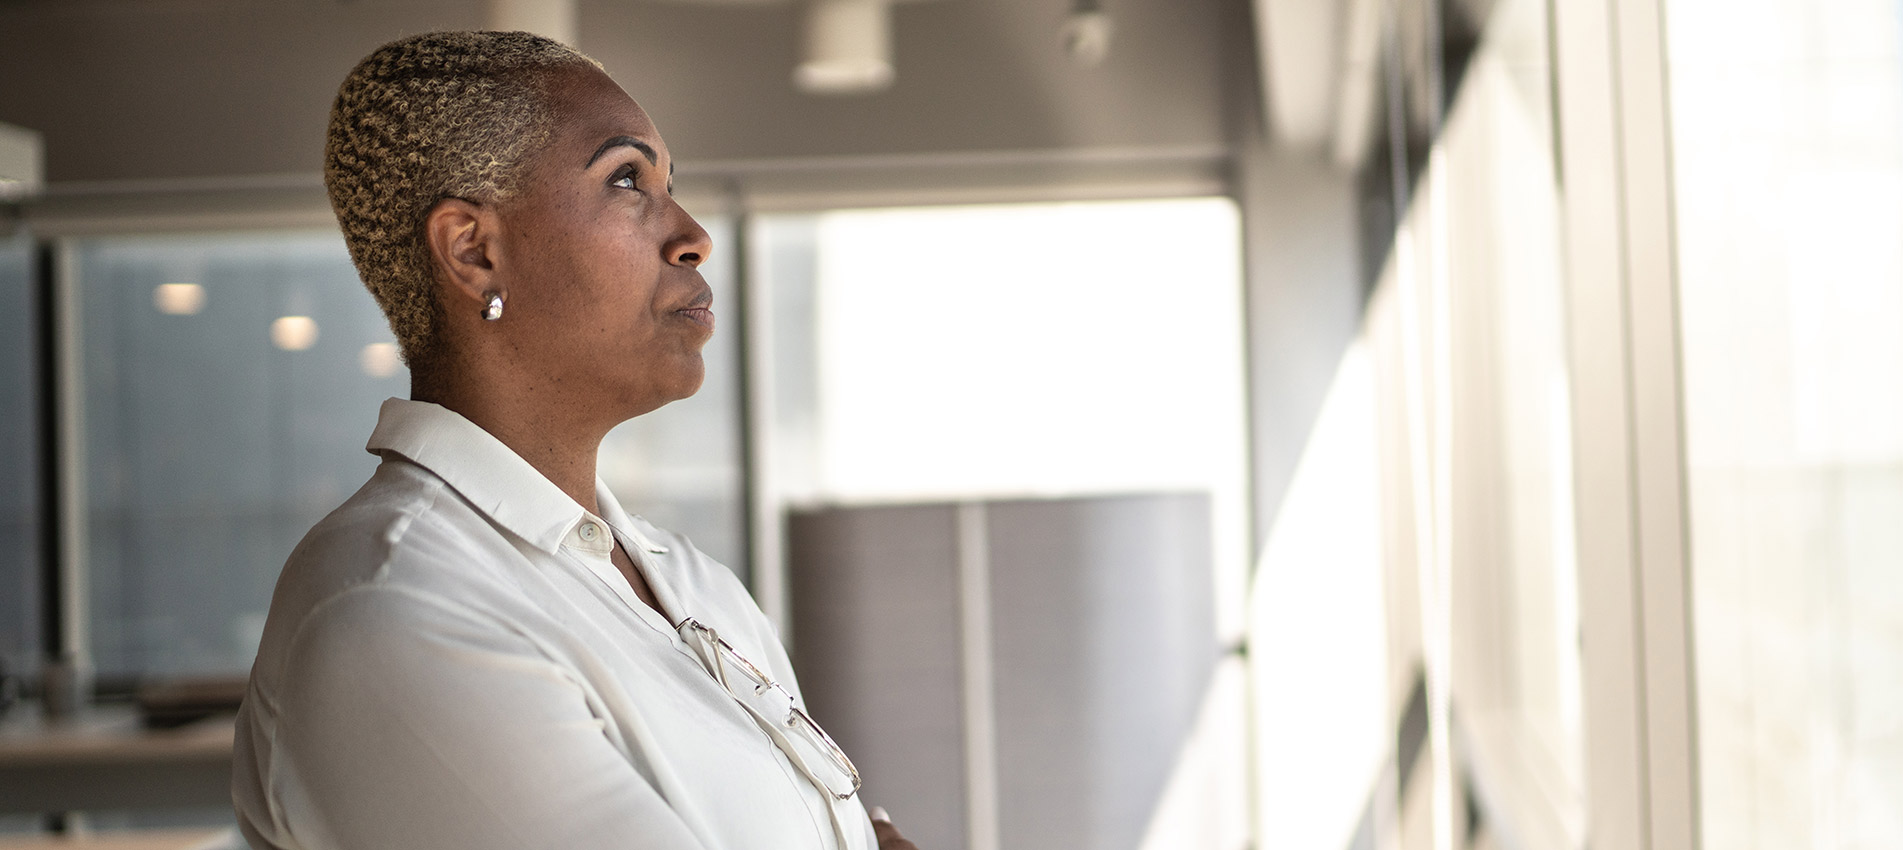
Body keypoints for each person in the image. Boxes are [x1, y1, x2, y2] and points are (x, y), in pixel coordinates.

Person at [230, 30, 919, 850]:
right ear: (474, 252)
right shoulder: (395, 608)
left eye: (669, 185)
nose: (692, 234)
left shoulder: (693, 584)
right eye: (627, 180)